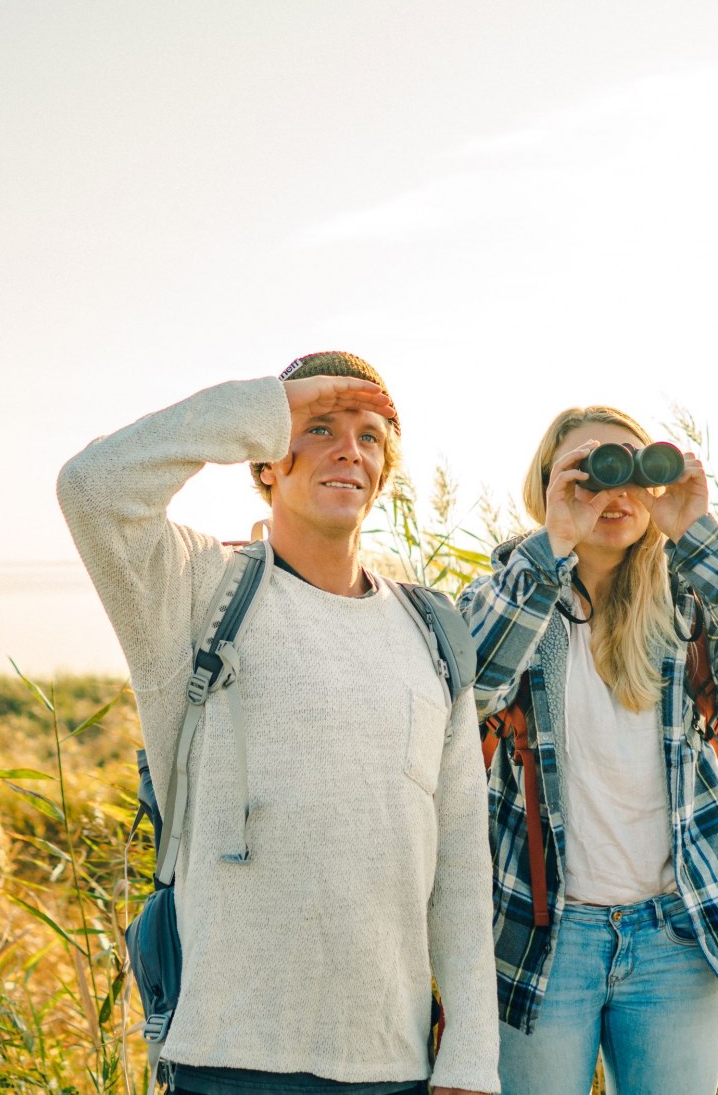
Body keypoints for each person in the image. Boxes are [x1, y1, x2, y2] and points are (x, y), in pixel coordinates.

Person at [57, 352, 500, 1095]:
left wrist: (471, 1060)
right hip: (229, 1057)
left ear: (383, 470)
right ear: (265, 461)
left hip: (392, 1065)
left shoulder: (433, 628)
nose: (345, 450)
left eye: (367, 435)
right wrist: (268, 404)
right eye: (317, 427)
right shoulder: (198, 588)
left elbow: (458, 860)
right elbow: (92, 488)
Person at [458, 405, 718, 1095]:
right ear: (547, 487)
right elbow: (463, 689)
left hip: (676, 936)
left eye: (633, 469)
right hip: (545, 934)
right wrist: (555, 544)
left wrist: (696, 532)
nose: (615, 491)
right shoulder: (509, 594)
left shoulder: (689, 610)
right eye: (590, 470)